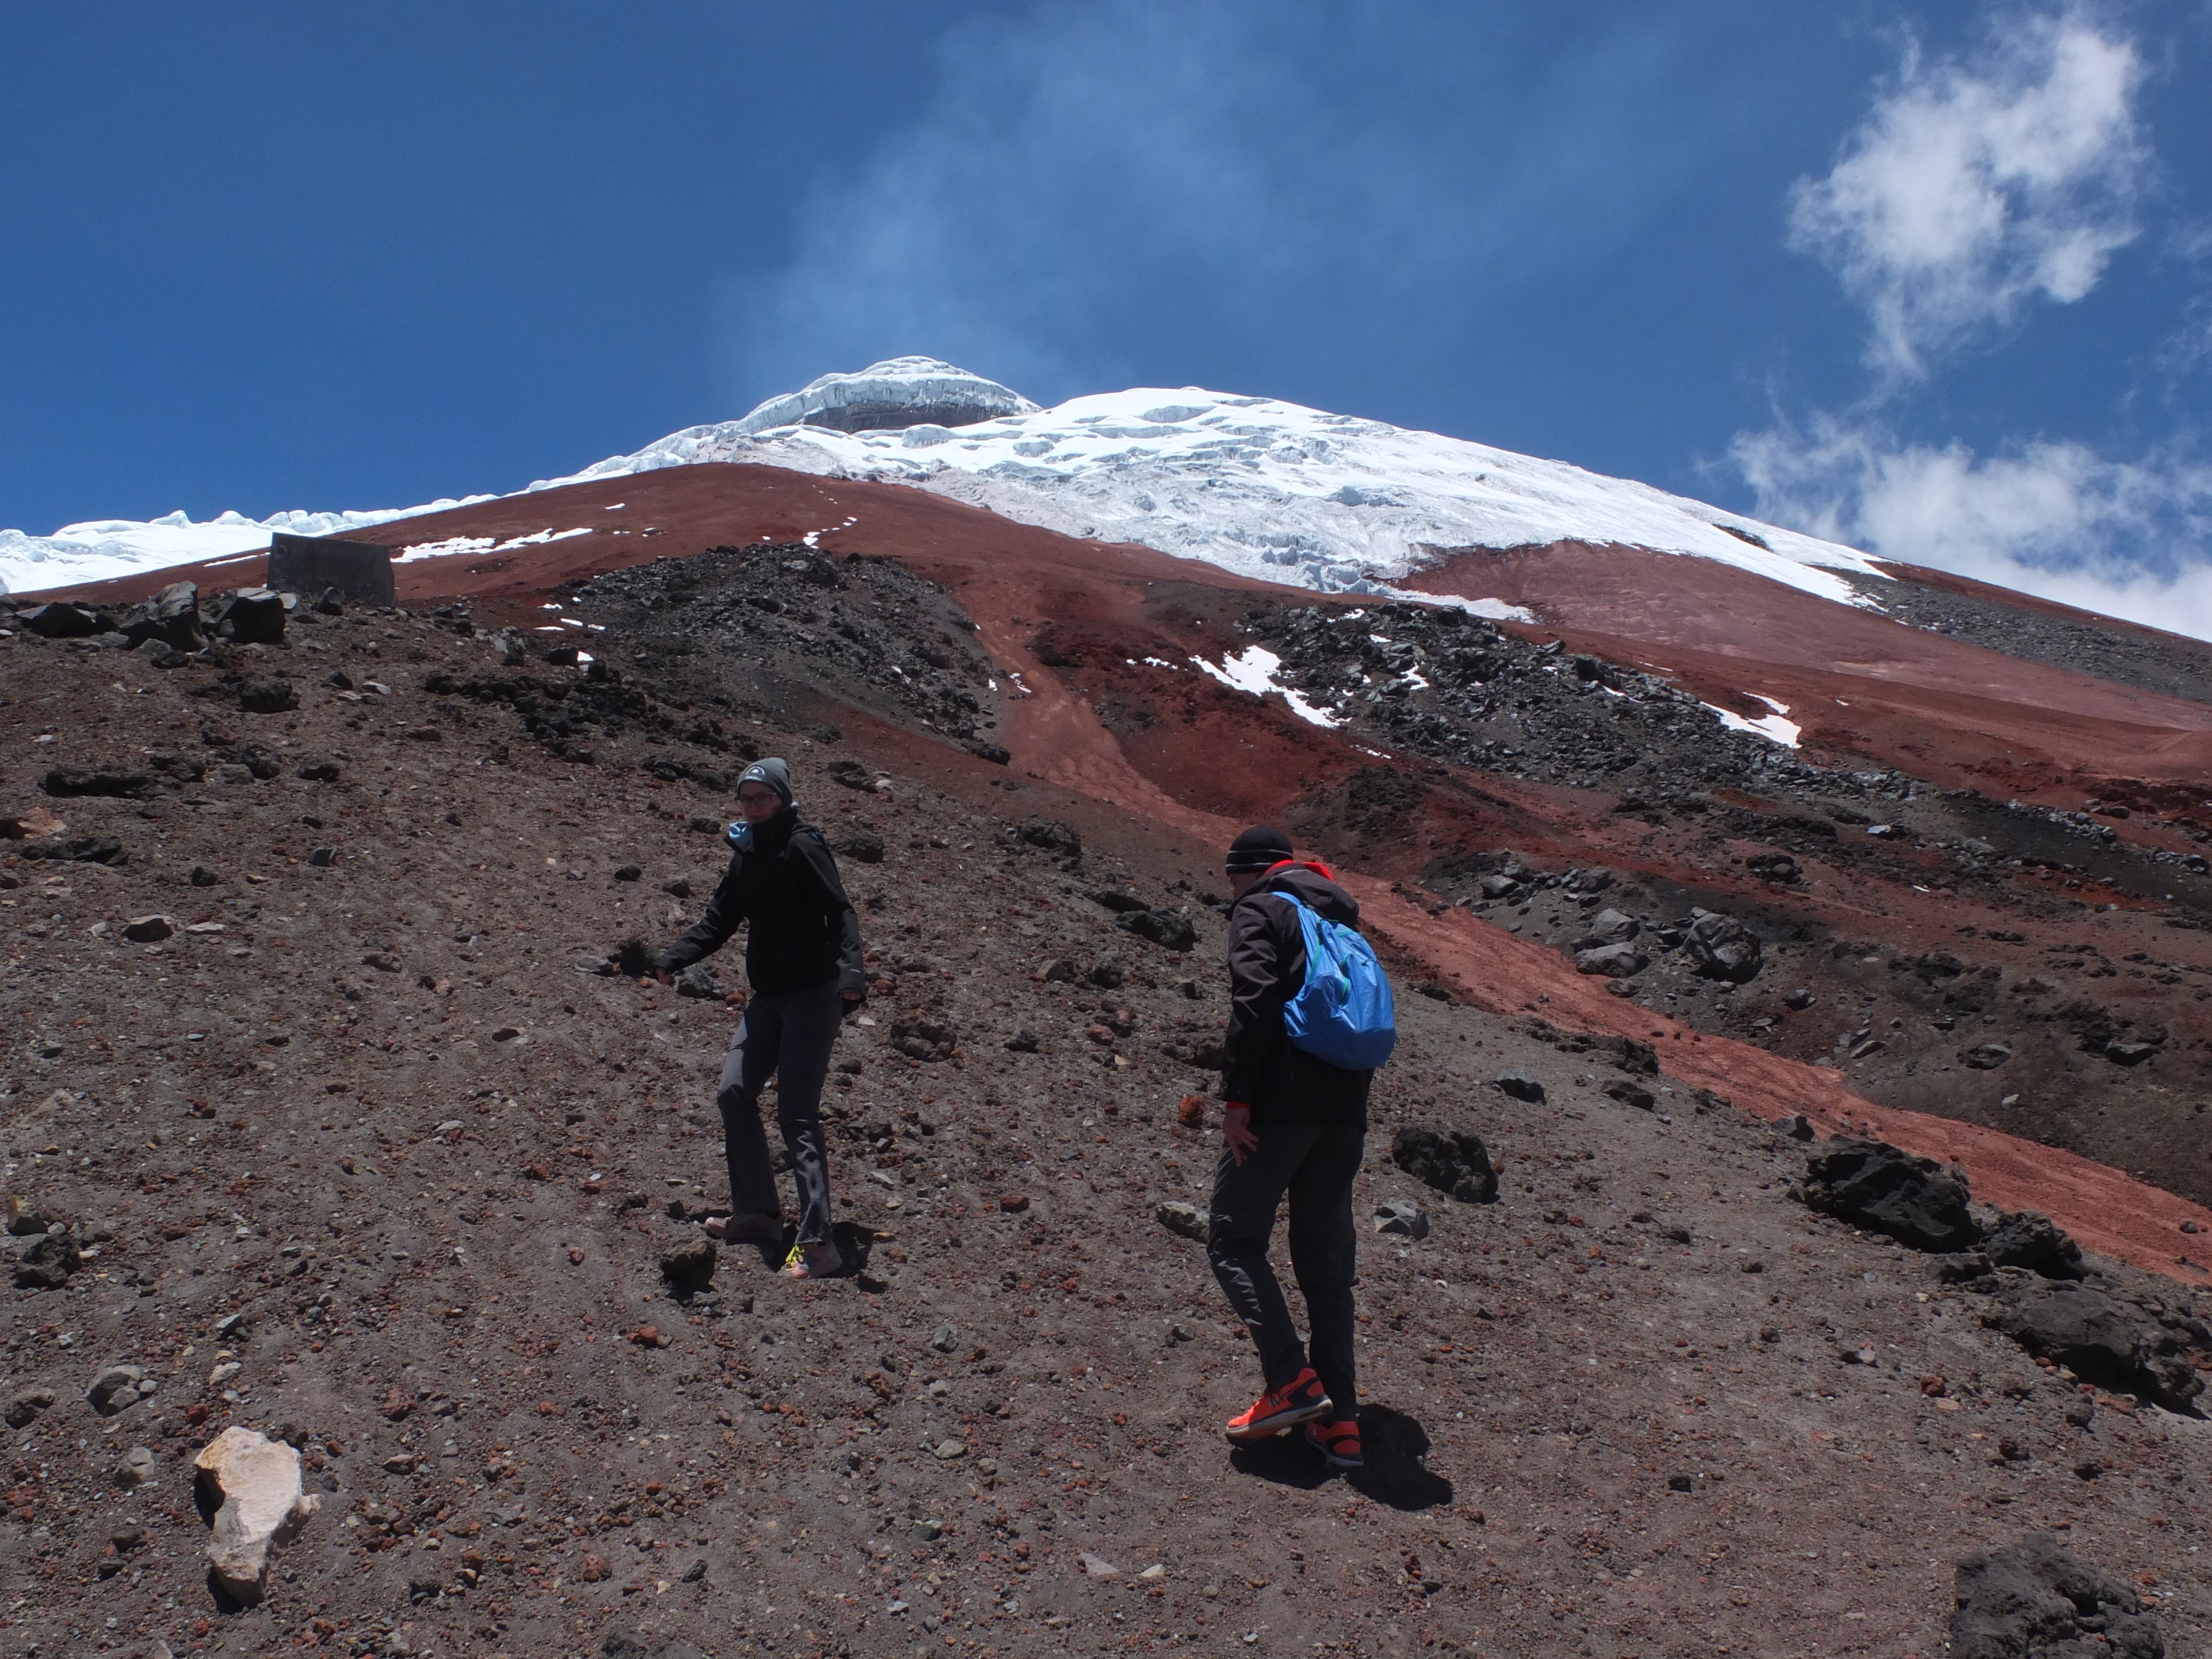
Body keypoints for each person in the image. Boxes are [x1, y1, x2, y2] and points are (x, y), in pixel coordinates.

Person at [655, 758, 866, 1279]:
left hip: (813, 997)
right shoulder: (747, 850)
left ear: (783, 797)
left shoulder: (803, 846)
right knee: (734, 1091)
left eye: (762, 798)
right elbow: (720, 918)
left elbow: (840, 911)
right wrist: (673, 957)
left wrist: (851, 974)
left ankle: (820, 1247)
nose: (752, 807)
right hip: (768, 996)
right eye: (746, 799)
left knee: (796, 1114)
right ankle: (761, 1215)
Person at [1207, 825, 1375, 1468]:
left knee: (1232, 1239)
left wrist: (1237, 1100)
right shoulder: (1340, 913)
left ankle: (1291, 1383)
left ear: (1252, 871)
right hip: (1346, 1110)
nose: (1232, 891)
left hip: (1279, 1106)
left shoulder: (1263, 907)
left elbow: (1253, 1002)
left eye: (1233, 879)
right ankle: (1342, 1422)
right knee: (1324, 1261)